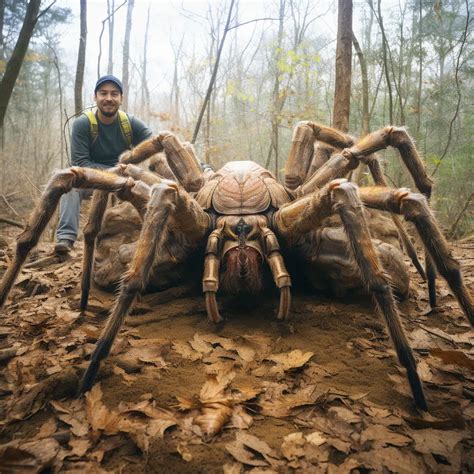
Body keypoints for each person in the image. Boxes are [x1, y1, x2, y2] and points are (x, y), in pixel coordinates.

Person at [55, 75, 153, 254]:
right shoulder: (83, 124)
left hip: (125, 182)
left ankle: (146, 240)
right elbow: (80, 163)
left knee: (154, 192)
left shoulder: (130, 124)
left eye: (114, 94)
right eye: (103, 93)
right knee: (69, 184)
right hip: (92, 180)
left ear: (121, 98)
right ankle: (66, 239)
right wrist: (115, 173)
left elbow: (157, 145)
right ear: (95, 97)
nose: (109, 98)